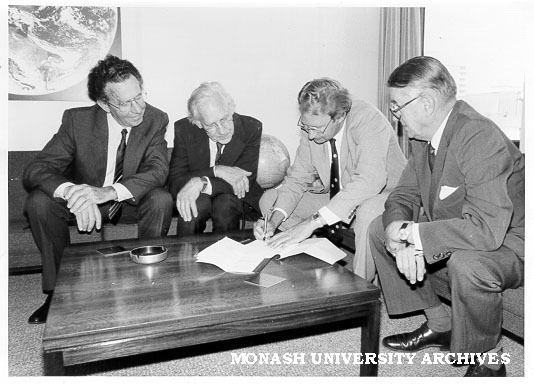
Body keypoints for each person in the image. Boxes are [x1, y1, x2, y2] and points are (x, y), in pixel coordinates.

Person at [368, 56, 524, 377]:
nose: (395, 116)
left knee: (468, 264)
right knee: (378, 229)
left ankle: (489, 359)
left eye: (397, 107)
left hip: (511, 240)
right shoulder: (424, 139)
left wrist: (414, 236)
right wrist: (399, 228)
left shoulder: (477, 135)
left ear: (426, 103)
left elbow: (485, 231)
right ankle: (441, 324)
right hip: (474, 229)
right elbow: (403, 195)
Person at [23, 55, 173, 324]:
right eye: (126, 103)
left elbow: (158, 171)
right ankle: (58, 293)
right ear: (105, 104)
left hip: (127, 204)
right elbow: (36, 170)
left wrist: (107, 192)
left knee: (160, 198)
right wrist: (74, 192)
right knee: (38, 201)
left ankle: (147, 284)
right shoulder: (76, 121)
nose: (138, 107)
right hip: (84, 207)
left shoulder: (155, 119)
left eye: (139, 96)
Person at [253, 78, 406, 278]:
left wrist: (310, 223)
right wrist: (272, 222)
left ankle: (360, 287)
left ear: (339, 117)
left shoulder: (368, 119)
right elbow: (296, 179)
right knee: (270, 199)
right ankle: (315, 265)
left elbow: (370, 180)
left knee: (367, 212)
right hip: (342, 194)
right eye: (306, 127)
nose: (309, 136)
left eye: (317, 129)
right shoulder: (313, 127)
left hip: (385, 193)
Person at [168, 82, 263, 235]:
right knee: (194, 204)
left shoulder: (251, 128)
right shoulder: (184, 130)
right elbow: (175, 182)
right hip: (199, 197)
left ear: (231, 109)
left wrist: (202, 182)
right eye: (212, 125)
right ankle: (184, 255)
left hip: (233, 195)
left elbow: (245, 180)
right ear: (199, 123)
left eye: (225, 119)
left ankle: (227, 257)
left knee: (225, 204)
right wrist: (216, 171)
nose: (222, 130)